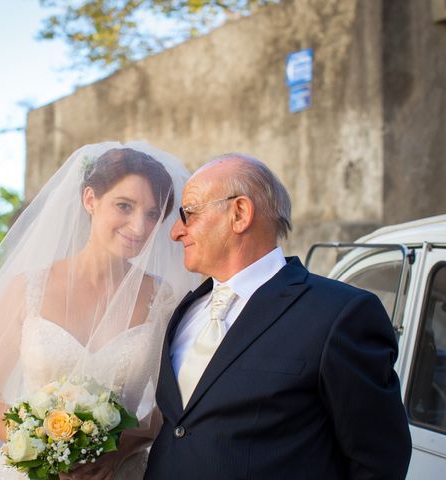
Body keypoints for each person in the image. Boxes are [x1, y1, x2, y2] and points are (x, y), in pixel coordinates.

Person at [0, 142, 198, 480]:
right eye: (124, 206)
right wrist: (46, 455)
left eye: (151, 214)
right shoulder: (29, 288)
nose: (139, 227)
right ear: (90, 200)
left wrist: (121, 449)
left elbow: (170, 405)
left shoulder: (162, 298)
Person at [144, 153, 412, 479]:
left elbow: (379, 460)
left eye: (188, 214)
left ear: (239, 213)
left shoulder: (340, 315)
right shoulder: (184, 312)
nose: (175, 232)